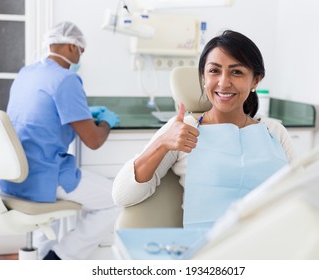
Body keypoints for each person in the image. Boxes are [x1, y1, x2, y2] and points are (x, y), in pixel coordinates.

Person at [112, 30, 296, 229]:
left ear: (255, 80)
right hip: (208, 250)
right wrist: (162, 143)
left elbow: (301, 193)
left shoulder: (274, 131)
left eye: (236, 72)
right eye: (214, 71)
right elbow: (123, 196)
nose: (224, 82)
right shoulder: (183, 129)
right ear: (203, 77)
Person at [0, 21, 121, 260]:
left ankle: (45, 263)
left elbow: (40, 115)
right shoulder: (66, 79)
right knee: (117, 200)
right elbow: (94, 140)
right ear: (70, 47)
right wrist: (106, 121)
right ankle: (62, 257)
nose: (80, 57)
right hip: (43, 175)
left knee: (47, 224)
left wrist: (83, 113)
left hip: (14, 176)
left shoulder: (27, 73)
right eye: (81, 51)